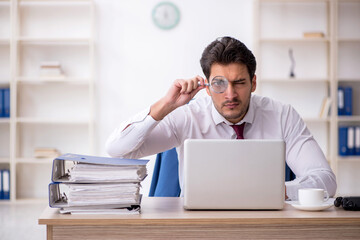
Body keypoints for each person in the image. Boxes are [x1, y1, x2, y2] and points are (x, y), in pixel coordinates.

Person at [106, 36, 337, 200]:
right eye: (219, 84)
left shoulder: (282, 115)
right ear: (206, 87)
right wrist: (166, 104)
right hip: (198, 227)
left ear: (253, 83)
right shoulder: (187, 116)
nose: (230, 94)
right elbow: (118, 150)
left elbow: (325, 180)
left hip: (264, 226)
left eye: (239, 82)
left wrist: (275, 191)